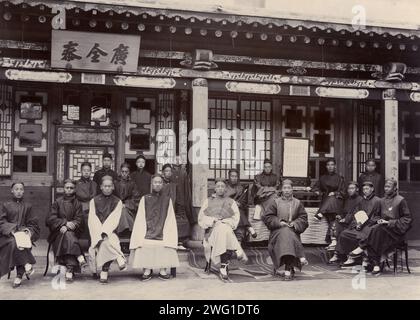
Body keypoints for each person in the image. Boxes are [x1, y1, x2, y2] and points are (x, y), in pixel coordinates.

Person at [350, 178, 412, 275]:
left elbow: (407, 219)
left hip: (395, 232)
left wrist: (389, 222)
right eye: (385, 186)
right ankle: (376, 264)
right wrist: (378, 220)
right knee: (375, 231)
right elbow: (376, 215)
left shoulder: (400, 200)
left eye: (388, 187)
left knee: (376, 231)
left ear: (395, 188)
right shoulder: (381, 201)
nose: (386, 189)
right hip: (382, 230)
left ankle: (363, 247)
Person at [130, 174, 180, 281]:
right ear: (152, 184)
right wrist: (144, 232)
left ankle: (162, 270)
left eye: (160, 182)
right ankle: (147, 269)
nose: (157, 184)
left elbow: (170, 219)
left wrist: (165, 232)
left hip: (162, 231)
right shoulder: (145, 198)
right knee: (144, 243)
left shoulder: (167, 200)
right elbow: (140, 218)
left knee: (166, 243)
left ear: (162, 185)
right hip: (148, 231)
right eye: (155, 182)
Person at [198, 178, 247, 281]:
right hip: (211, 232)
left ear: (226, 189)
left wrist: (224, 221)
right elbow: (201, 218)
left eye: (222, 186)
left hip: (225, 229)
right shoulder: (208, 201)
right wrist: (213, 220)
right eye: (218, 186)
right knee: (223, 229)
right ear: (214, 188)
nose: (220, 189)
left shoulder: (231, 202)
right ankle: (236, 250)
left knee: (223, 228)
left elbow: (235, 218)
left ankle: (223, 266)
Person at [263, 179, 309, 281]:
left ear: (292, 189)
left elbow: (303, 218)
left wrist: (295, 224)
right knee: (285, 231)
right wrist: (279, 222)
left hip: (292, 232)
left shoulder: (298, 203)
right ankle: (300, 256)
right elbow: (268, 217)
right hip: (277, 233)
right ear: (281, 190)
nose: (287, 190)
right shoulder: (275, 202)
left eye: (289, 188)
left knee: (288, 232)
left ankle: (288, 267)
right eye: (285, 188)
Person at [331, 181, 381, 265]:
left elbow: (378, 216)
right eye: (364, 189)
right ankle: (349, 256)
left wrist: (366, 223)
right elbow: (356, 213)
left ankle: (362, 258)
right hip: (359, 225)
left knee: (362, 236)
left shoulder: (377, 201)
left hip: (369, 226)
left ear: (372, 189)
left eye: (367, 189)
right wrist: (357, 223)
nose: (365, 191)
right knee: (345, 234)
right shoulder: (362, 201)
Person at [46, 179, 87, 282]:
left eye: (71, 188)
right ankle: (75, 261)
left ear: (75, 189)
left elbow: (79, 220)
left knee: (68, 235)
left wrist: (68, 227)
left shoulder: (77, 203)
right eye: (67, 187)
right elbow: (50, 219)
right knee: (68, 236)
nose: (69, 190)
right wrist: (64, 223)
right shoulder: (57, 202)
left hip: (72, 231)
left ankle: (69, 267)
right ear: (64, 189)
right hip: (58, 231)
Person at [88, 176, 127, 284]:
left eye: (109, 186)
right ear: (101, 187)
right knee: (105, 243)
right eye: (105, 186)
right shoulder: (94, 201)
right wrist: (100, 233)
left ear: (113, 187)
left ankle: (104, 271)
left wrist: (105, 232)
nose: (107, 188)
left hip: (111, 231)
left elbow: (114, 219)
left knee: (108, 241)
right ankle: (118, 256)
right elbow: (92, 219)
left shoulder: (117, 201)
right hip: (96, 231)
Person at [0, 182, 40, 288]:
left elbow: (33, 223)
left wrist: (28, 231)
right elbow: (1, 221)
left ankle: (20, 274)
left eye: (21, 189)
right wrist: (12, 230)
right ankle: (25, 267)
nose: (19, 191)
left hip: (24, 234)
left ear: (23, 191)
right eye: (16, 189)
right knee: (14, 242)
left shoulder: (28, 206)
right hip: (9, 235)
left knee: (20, 241)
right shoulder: (5, 205)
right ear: (12, 190)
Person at [312, 158, 345, 245]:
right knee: (332, 219)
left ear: (335, 166)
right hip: (326, 201)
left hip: (337, 200)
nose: (330, 167)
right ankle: (332, 240)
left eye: (332, 165)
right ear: (326, 166)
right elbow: (316, 187)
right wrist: (317, 191)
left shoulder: (340, 178)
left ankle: (320, 213)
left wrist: (334, 193)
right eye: (328, 165)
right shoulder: (323, 178)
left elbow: (343, 192)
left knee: (332, 199)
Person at [161, 163, 193, 243]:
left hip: (174, 208)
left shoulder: (174, 185)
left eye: (170, 171)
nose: (168, 173)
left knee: (182, 221)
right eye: (166, 171)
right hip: (162, 209)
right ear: (163, 172)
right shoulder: (160, 183)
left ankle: (179, 240)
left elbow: (177, 198)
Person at [330, 181, 363, 254]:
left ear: (357, 189)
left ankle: (338, 252)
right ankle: (334, 242)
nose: (350, 190)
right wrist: (341, 216)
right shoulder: (348, 199)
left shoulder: (360, 200)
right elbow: (344, 211)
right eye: (348, 189)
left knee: (341, 229)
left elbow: (357, 213)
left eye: (352, 188)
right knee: (335, 222)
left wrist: (346, 219)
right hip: (346, 221)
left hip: (354, 223)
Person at [225, 169, 257, 242]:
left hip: (238, 209)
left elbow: (244, 202)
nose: (234, 178)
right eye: (232, 176)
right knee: (238, 212)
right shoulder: (224, 188)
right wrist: (232, 202)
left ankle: (239, 239)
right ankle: (249, 227)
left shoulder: (241, 188)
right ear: (229, 177)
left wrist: (240, 204)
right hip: (226, 210)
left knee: (238, 211)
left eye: (236, 176)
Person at [115, 163, 141, 236]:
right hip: (116, 206)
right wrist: (119, 204)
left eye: (126, 172)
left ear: (128, 172)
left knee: (124, 211)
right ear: (120, 172)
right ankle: (129, 230)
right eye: (122, 172)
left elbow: (136, 198)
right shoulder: (115, 182)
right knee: (122, 211)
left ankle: (124, 231)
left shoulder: (132, 184)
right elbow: (112, 196)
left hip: (129, 207)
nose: (124, 174)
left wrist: (126, 204)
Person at [75, 161, 97, 241]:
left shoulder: (94, 184)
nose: (86, 172)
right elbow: (79, 195)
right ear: (81, 171)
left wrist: (88, 198)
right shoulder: (77, 183)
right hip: (80, 206)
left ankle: (91, 242)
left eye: (88, 170)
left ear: (91, 172)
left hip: (91, 206)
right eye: (84, 170)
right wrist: (87, 197)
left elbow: (94, 195)